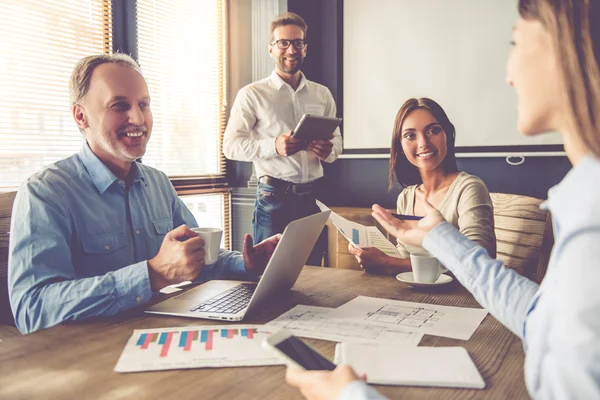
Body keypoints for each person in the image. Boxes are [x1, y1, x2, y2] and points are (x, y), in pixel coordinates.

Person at [286, 0, 600, 398]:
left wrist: (348, 395)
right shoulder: (580, 198)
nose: (509, 75)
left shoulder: (590, 218)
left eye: (514, 43)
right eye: (410, 136)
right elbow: (541, 318)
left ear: (565, 48)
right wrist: (437, 235)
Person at [8, 54, 280, 334]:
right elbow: (32, 310)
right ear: (81, 115)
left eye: (143, 105)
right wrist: (152, 275)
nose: (138, 118)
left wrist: (245, 262)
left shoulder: (158, 183)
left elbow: (197, 258)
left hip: (155, 336)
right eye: (119, 105)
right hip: (87, 355)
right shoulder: (45, 192)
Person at [223, 12, 343, 266]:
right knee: (268, 272)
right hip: (273, 199)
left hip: (312, 199)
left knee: (313, 273)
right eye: (283, 43)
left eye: (297, 43)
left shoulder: (322, 95)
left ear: (305, 48)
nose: (291, 49)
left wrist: (327, 150)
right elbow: (230, 146)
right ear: (271, 49)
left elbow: (338, 145)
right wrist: (274, 145)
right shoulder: (252, 94)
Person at [348, 98, 496, 275]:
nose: (423, 143)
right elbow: (403, 257)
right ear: (400, 146)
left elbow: (478, 263)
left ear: (447, 135)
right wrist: (379, 257)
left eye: (433, 131)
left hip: (460, 299)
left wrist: (388, 263)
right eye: (410, 135)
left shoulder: (469, 188)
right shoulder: (406, 196)